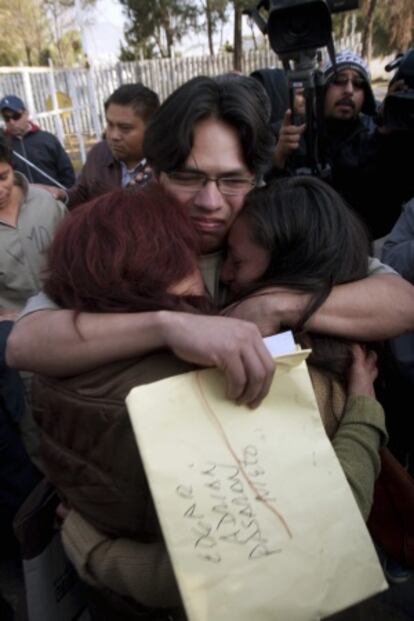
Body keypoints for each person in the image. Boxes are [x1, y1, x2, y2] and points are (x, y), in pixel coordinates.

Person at [32, 181, 385, 618]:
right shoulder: (240, 381)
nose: (222, 275)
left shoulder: (60, 358)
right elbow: (272, 547)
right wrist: (365, 410)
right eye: (199, 258)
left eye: (233, 260)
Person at [6, 74, 414, 409]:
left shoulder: (281, 227)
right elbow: (26, 343)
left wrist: (272, 305)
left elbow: (400, 301)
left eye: (233, 180)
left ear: (257, 177)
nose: (210, 203)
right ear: (158, 172)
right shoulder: (126, 235)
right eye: (189, 177)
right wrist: (170, 326)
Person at [221, 175, 387, 519]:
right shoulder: (343, 336)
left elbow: (334, 516)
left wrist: (363, 414)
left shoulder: (293, 375)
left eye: (237, 262)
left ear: (287, 264)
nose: (223, 275)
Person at [272, 49, 412, 240]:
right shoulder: (293, 132)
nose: (348, 90)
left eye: (358, 84)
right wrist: (278, 159)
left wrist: (389, 131)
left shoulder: (377, 133)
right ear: (322, 89)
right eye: (339, 80)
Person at [48, 83, 160, 208]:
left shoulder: (169, 167)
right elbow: (81, 194)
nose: (113, 136)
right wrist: (63, 196)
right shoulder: (99, 154)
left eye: (125, 128)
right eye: (110, 125)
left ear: (152, 128)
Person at [0, 133, 67, 317]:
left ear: (11, 166)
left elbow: (76, 256)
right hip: (15, 331)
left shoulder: (46, 203)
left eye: (3, 177)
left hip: (67, 314)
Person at [0, 95, 75, 189]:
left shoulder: (47, 139)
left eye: (16, 116)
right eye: (7, 118)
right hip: (22, 200)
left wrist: (64, 195)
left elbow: (67, 173)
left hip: (53, 198)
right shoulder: (3, 146)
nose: (12, 122)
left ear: (26, 113)